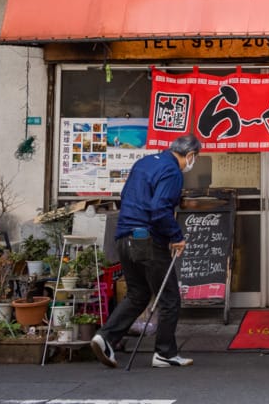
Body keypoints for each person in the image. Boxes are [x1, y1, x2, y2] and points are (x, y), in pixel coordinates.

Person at [91, 135, 202, 369]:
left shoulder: (144, 163)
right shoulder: (172, 171)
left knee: (138, 294)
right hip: (148, 239)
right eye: (194, 158)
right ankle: (165, 352)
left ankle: (106, 337)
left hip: (124, 236)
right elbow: (160, 208)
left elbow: (126, 197)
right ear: (190, 155)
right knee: (169, 297)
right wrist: (176, 236)